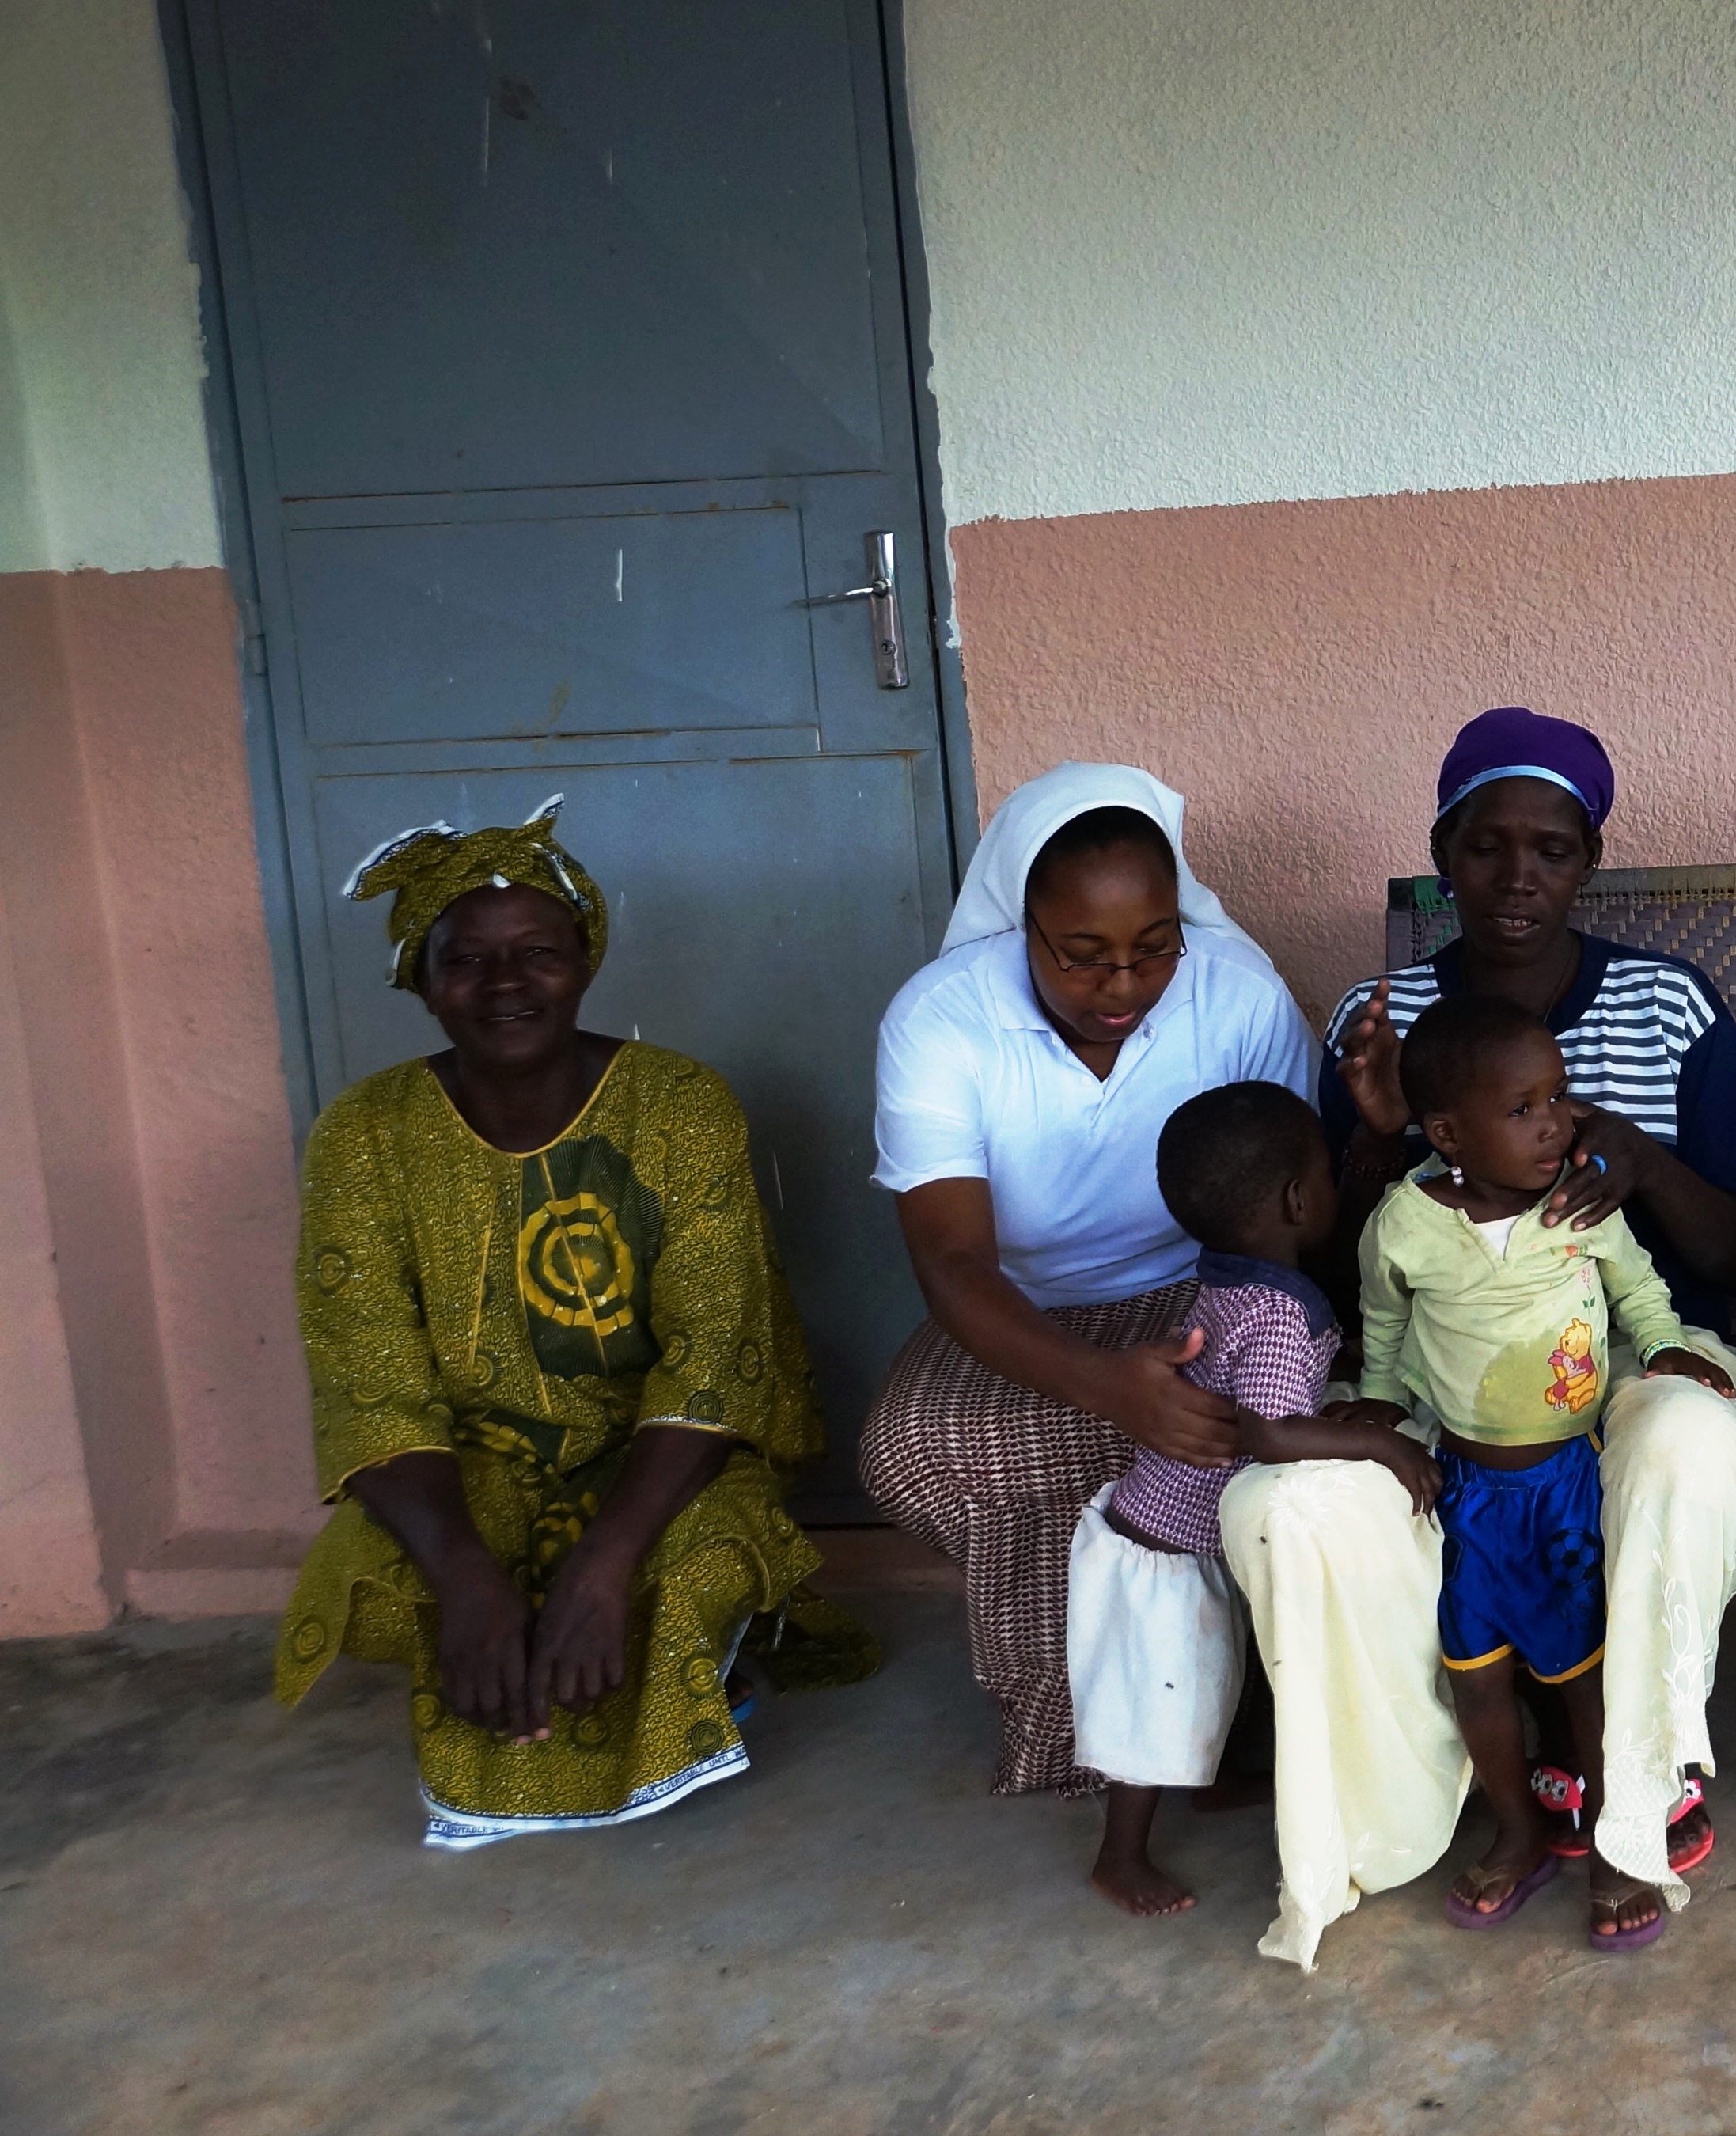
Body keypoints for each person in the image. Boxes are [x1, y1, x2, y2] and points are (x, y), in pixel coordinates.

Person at [1231, 707, 1736, 1969]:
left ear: (1591, 861)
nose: (1518, 876)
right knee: (1286, 1500)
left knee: (1680, 1443)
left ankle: (1636, 1803)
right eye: (1486, 846)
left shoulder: (1667, 1004)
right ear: (1443, 857)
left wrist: (1645, 1166)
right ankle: (1405, 1820)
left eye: (1552, 848)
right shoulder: (1382, 1021)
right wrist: (1378, 1140)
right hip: (1451, 1382)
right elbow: (1336, 1260)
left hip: (1644, 1356)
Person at [276, 799, 877, 1847]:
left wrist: (601, 1569)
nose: (506, 983)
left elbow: (714, 1356)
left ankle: (688, 1653)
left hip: (662, 1456)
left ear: (585, 961)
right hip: (474, 1466)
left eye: (538, 953)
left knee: (677, 1572)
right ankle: (531, 1659)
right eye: (467, 960)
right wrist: (467, 1579)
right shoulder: (362, 1136)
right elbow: (370, 1383)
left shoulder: (679, 1105)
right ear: (421, 978)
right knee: (398, 1573)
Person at [862, 764, 1319, 1803]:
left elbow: (1294, 1204)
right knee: (909, 1446)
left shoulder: (1235, 994)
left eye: (1154, 948)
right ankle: (1084, 1715)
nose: (1122, 986)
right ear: (1022, 925)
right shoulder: (941, 1022)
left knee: (1236, 1419)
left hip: (1205, 1285)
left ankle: (1220, 1707)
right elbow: (952, 1260)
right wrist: (1105, 1384)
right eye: (1083, 955)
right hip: (1023, 1310)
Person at [1357, 996, 1736, 1948]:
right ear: (1448, 1135)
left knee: (1585, 1680)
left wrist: (1663, 1343)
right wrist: (1376, 1402)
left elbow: (1635, 1283)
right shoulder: (1406, 1224)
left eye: (1558, 1098)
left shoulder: (1577, 1203)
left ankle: (1615, 1843)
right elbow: (1384, 1322)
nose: (1556, 1124)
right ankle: (1518, 1831)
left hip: (1565, 1484)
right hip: (1468, 1490)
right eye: (1523, 1108)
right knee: (1476, 1676)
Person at [1071, 1083, 1422, 1918]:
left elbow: (1267, 1400)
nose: (1334, 1187)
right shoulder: (1278, 1308)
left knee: (1217, 1672)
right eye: (1328, 1174)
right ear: (1299, 1200)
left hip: (1172, 1526)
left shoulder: (1230, 1278)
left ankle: (1217, 1780)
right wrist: (1382, 1444)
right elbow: (1268, 1433)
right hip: (1171, 1553)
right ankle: (1120, 1857)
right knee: (1161, 1706)